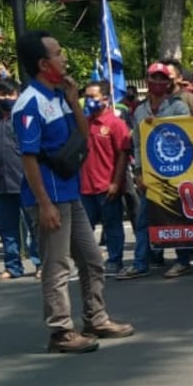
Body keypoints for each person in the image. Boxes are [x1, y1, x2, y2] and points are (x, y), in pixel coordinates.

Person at [13, 30, 133, 353]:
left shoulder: (58, 97)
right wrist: (44, 203)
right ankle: (60, 332)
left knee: (92, 258)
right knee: (56, 266)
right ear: (42, 63)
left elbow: (83, 136)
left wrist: (72, 100)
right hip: (50, 197)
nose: (63, 58)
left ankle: (95, 317)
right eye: (57, 53)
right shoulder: (29, 104)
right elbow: (28, 157)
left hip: (71, 192)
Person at [119, 61, 190, 280]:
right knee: (143, 220)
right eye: (154, 78)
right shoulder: (140, 110)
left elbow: (188, 138)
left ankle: (183, 260)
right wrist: (139, 172)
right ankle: (140, 263)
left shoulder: (178, 107)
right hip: (150, 174)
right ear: (148, 80)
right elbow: (139, 144)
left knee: (177, 218)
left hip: (176, 171)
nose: (158, 82)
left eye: (162, 78)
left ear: (169, 82)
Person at [0, 79, 40, 282]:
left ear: (18, 95)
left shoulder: (25, 118)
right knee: (8, 229)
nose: (5, 99)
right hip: (1, 184)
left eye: (9, 94)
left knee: (35, 226)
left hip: (26, 182)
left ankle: (40, 264)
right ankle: (12, 267)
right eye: (1, 94)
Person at [80, 80, 132, 274]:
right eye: (86, 96)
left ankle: (115, 259)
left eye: (92, 96)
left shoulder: (115, 124)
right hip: (85, 186)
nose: (88, 101)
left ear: (105, 99)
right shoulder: (84, 124)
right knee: (84, 229)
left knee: (112, 225)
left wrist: (116, 182)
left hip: (107, 185)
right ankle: (87, 263)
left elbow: (123, 155)